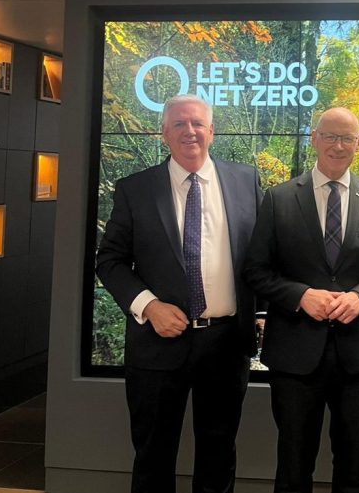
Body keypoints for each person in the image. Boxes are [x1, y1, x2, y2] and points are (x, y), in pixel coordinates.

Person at [96, 94, 262, 493]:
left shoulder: (245, 180)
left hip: (225, 344)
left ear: (212, 131)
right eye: (179, 124)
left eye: (198, 123)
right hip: (157, 345)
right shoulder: (135, 189)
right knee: (153, 456)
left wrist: (262, 314)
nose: (190, 131)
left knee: (219, 452)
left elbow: (262, 256)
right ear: (164, 133)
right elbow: (110, 261)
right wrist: (149, 306)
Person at [243, 107, 359, 493]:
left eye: (347, 138)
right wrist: (300, 296)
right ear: (314, 139)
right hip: (295, 356)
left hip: (358, 354)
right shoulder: (278, 198)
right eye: (330, 136)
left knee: (353, 465)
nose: (338, 145)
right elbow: (256, 271)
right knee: (294, 463)